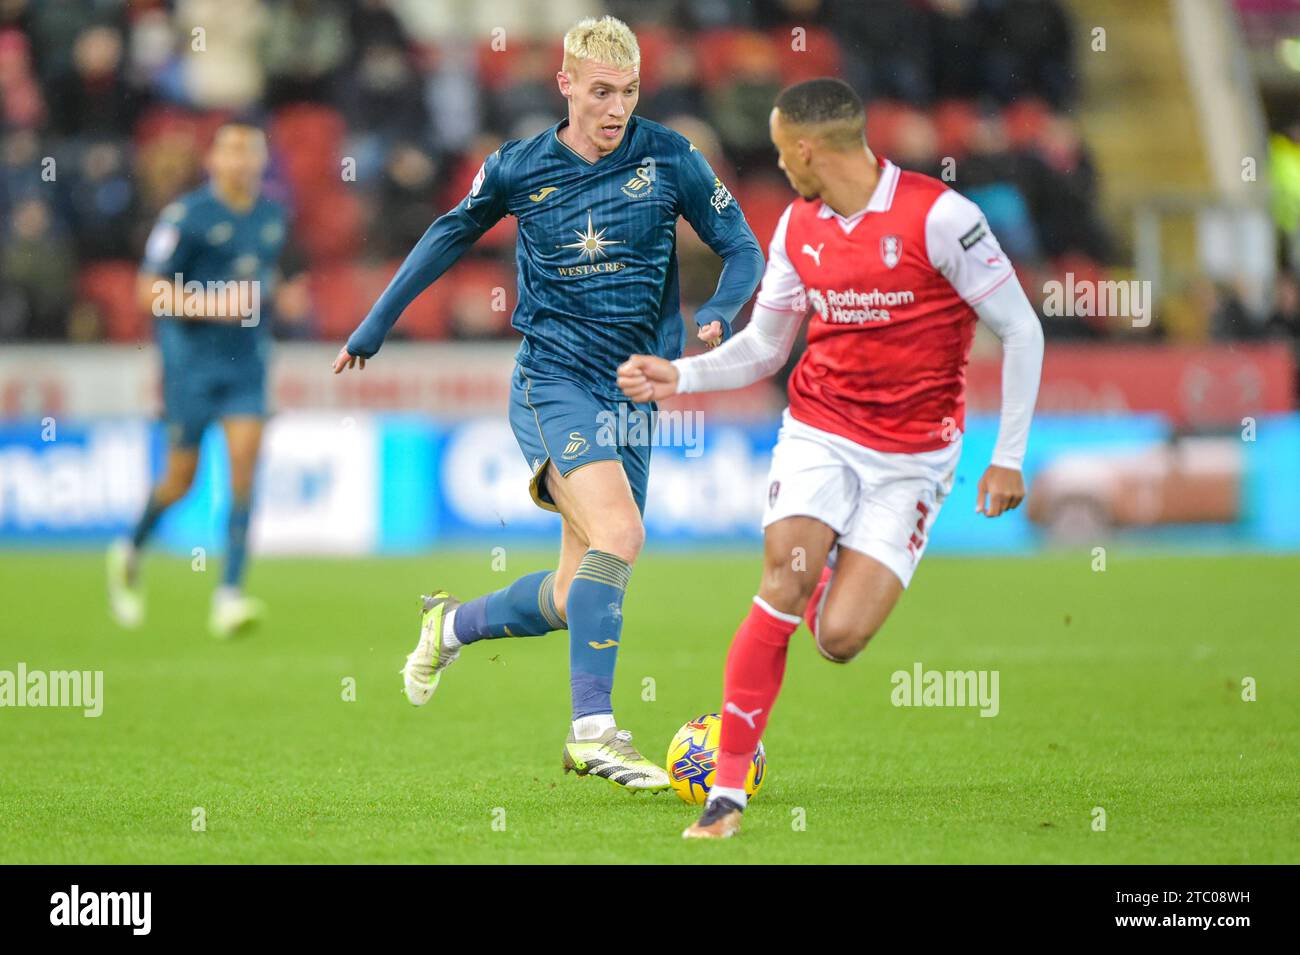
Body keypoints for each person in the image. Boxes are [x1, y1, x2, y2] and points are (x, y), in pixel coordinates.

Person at [332, 16, 764, 791]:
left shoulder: (670, 156)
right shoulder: (519, 167)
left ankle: (450, 624)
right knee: (622, 532)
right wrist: (375, 324)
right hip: (554, 380)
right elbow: (447, 233)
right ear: (565, 85)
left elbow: (745, 248)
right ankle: (593, 731)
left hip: (634, 393)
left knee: (576, 590)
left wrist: (722, 312)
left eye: (628, 92)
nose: (616, 108)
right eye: (600, 92)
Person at [618, 78, 1045, 835]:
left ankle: (827, 583)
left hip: (916, 456)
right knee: (783, 572)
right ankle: (727, 794)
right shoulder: (796, 227)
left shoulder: (941, 218)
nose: (781, 166)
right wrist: (678, 375)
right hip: (820, 429)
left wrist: (1007, 457)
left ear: (809, 146)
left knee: (840, 639)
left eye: (784, 151)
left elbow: (1020, 328)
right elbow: (764, 347)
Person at [108, 122, 287, 638]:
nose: (241, 160)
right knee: (180, 481)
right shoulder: (185, 217)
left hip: (246, 368)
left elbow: (265, 282)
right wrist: (213, 306)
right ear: (212, 160)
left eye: (250, 150)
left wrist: (278, 298)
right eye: (230, 150)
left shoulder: (273, 216)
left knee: (245, 469)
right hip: (189, 367)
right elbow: (148, 293)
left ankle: (229, 595)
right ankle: (131, 547)